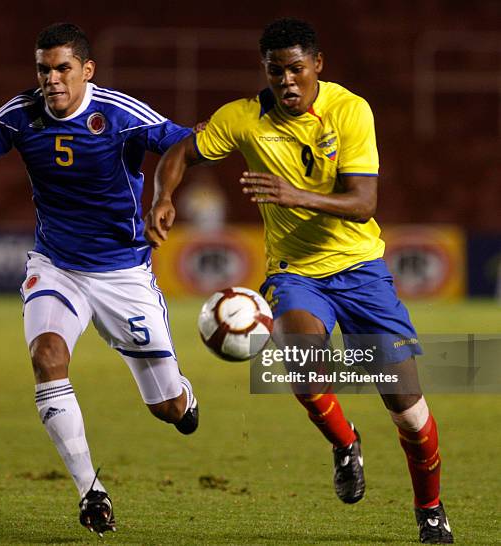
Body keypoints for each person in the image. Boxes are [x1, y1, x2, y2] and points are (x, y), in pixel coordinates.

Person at [146, 18, 453, 545]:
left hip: (360, 270)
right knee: (299, 357)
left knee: (406, 405)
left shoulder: (350, 110)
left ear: (317, 66)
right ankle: (344, 444)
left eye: (295, 69)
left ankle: (429, 508)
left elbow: (364, 204)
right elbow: (180, 152)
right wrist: (163, 197)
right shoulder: (242, 118)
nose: (286, 81)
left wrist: (295, 195)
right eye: (274, 71)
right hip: (295, 273)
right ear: (263, 71)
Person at [0, 22, 199, 537]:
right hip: (56, 266)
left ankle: (183, 395)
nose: (51, 79)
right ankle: (90, 492)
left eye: (62, 68)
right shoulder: (18, 116)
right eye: (43, 69)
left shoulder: (120, 115)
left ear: (86, 71)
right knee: (47, 357)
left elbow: (184, 144)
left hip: (123, 274)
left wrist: (163, 196)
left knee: (168, 408)